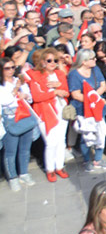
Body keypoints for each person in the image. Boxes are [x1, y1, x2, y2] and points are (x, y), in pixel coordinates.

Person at [27, 48, 70, 182]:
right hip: (45, 112)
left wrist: (59, 87)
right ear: (43, 62)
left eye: (55, 60)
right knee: (51, 142)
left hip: (61, 110)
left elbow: (66, 92)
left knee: (61, 140)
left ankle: (60, 166)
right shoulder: (36, 76)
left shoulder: (60, 74)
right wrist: (55, 92)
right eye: (49, 60)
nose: (53, 63)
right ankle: (50, 169)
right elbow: (36, 96)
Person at [68, 48, 106, 172]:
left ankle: (97, 159)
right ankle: (87, 160)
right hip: (84, 110)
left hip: (98, 108)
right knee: (87, 135)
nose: (95, 60)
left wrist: (95, 98)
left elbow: (103, 85)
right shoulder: (74, 74)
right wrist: (91, 100)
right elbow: (76, 94)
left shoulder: (95, 69)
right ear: (84, 61)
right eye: (92, 59)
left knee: (100, 134)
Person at [1, 57, 36, 191]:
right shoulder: (2, 85)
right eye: (7, 68)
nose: (11, 71)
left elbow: (29, 95)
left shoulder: (18, 80)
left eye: (13, 67)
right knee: (11, 151)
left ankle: (24, 173)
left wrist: (25, 95)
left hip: (24, 116)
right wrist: (16, 90)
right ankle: (13, 177)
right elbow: (5, 101)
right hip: (10, 118)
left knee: (25, 149)